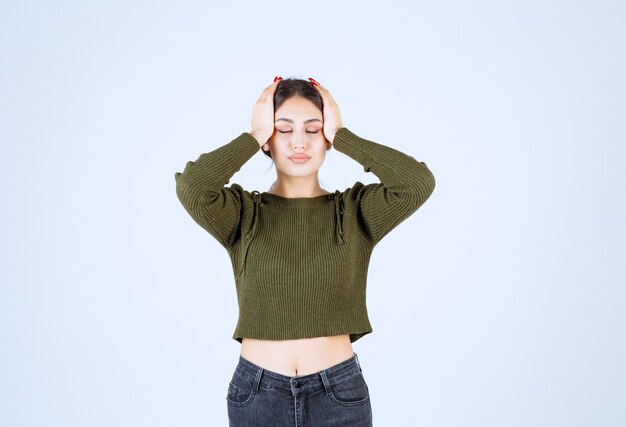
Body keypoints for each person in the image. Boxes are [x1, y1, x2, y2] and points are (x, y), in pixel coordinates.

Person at [174, 76, 435, 426]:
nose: (300, 142)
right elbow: (193, 187)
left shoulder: (354, 212)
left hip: (338, 394)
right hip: (257, 395)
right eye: (284, 130)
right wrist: (252, 137)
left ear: (326, 138)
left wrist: (344, 136)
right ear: (268, 139)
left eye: (313, 130)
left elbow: (416, 183)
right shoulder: (241, 213)